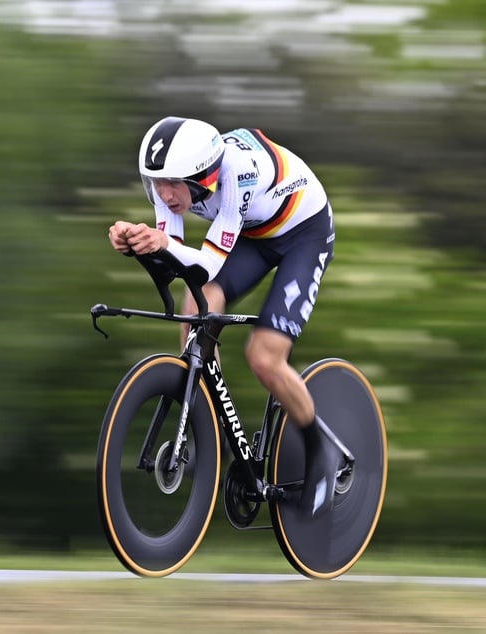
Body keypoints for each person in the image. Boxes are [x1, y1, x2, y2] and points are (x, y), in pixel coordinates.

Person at [107, 116, 340, 518]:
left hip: (305, 233)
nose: (163, 194)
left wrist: (160, 243)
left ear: (204, 175)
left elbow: (208, 263)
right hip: (255, 234)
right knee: (194, 307)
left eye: (173, 184)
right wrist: (139, 242)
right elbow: (175, 255)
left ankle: (323, 453)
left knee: (264, 358)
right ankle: (210, 423)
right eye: (155, 183)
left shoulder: (237, 175)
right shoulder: (171, 187)